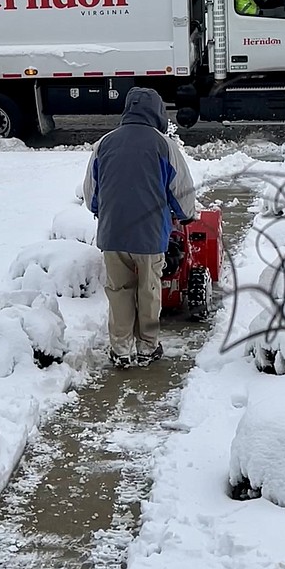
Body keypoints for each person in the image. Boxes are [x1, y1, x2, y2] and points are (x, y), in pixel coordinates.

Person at [82, 87, 196, 368]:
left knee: (119, 290)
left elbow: (91, 192)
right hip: (149, 234)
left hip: (113, 233)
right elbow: (180, 188)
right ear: (158, 112)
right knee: (148, 289)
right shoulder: (164, 145)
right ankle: (147, 347)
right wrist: (186, 215)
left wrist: (101, 211)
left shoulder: (104, 143)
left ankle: (120, 349)